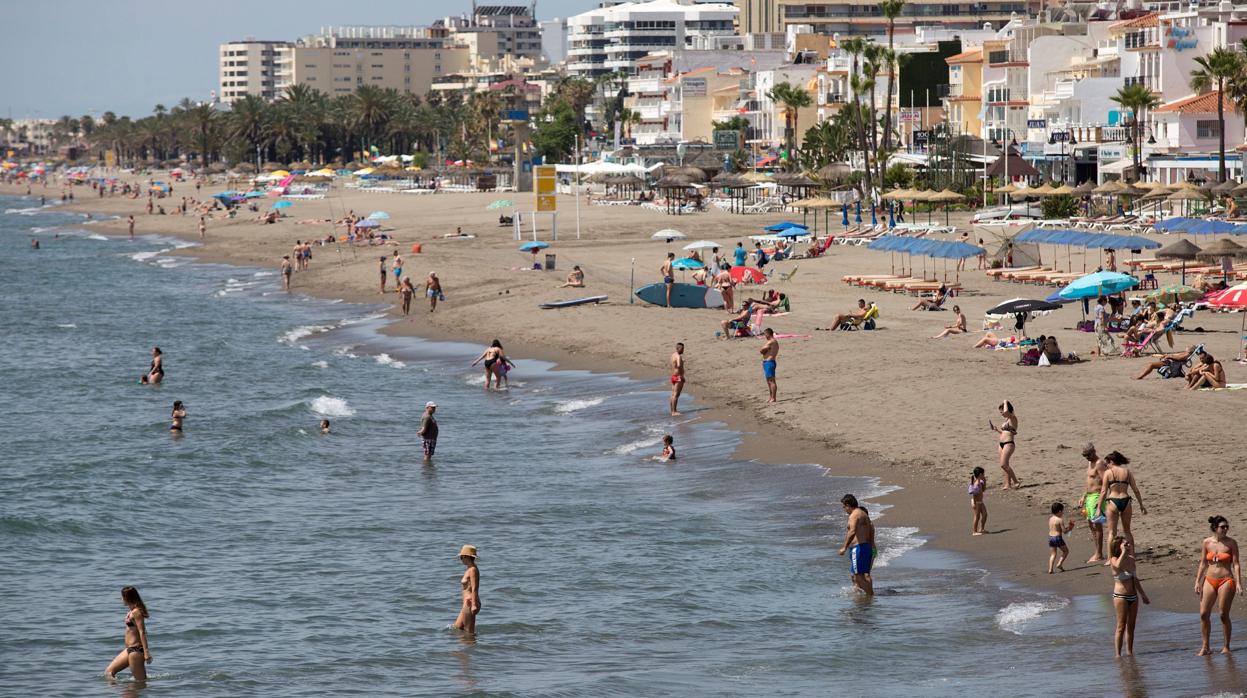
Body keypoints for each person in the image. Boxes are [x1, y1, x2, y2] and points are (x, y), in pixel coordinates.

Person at [1196, 515, 1241, 656]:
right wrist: (1197, 581)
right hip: (1209, 579)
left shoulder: (1231, 543)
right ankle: (1205, 647)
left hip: (1226, 580)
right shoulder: (1207, 542)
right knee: (1203, 614)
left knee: (1223, 614)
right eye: (1223, 527)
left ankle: (1226, 646)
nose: (1226, 529)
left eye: (1227, 526)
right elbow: (1203, 563)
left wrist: (1239, 583)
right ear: (1215, 528)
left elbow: (1236, 564)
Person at [1109, 536, 1149, 657]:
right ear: (1118, 546)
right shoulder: (1114, 559)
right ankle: (1117, 655)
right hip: (1121, 596)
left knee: (1131, 627)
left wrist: (1143, 594)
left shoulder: (1131, 559)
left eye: (1128, 544)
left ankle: (1129, 653)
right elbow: (1118, 566)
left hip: (1133, 596)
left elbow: (1135, 579)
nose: (1128, 545)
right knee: (1121, 626)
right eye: (1125, 544)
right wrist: (1124, 552)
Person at [1097, 450, 1146, 548]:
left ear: (1111, 462)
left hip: (1113, 501)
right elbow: (1136, 490)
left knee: (1111, 533)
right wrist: (1141, 505)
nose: (1106, 466)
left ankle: (1110, 559)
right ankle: (1131, 555)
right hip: (1126, 501)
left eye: (1107, 463)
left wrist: (1098, 508)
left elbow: (1103, 492)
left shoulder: (1108, 473)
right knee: (1127, 531)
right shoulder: (1127, 472)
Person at [105, 586, 152, 681]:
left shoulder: (137, 612)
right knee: (109, 673)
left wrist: (146, 653)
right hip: (128, 650)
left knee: (140, 682)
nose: (121, 599)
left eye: (122, 597)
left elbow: (142, 632)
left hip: (136, 650)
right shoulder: (131, 612)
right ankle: (123, 691)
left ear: (127, 598)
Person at [1077, 443, 1109, 563]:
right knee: (1091, 525)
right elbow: (1089, 481)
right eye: (1085, 456)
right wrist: (1083, 496)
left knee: (1097, 525)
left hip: (1097, 496)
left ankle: (1099, 554)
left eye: (1088, 455)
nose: (1087, 458)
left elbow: (1105, 482)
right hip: (1089, 497)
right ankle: (1096, 552)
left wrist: (1101, 500)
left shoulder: (1099, 463)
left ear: (1094, 451)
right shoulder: (1090, 463)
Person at [838, 494, 875, 596]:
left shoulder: (854, 515)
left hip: (858, 548)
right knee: (857, 575)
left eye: (844, 507)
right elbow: (870, 531)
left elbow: (852, 531)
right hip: (865, 547)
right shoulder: (863, 514)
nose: (844, 510)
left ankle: (870, 597)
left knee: (858, 576)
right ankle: (859, 596)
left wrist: (844, 547)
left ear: (848, 505)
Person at [988, 400, 1021, 489]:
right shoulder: (1006, 420)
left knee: (1003, 464)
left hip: (1009, 443)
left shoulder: (1012, 417)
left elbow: (1007, 412)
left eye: (1001, 411)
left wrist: (1005, 401)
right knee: (1005, 465)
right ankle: (1007, 484)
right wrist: (997, 430)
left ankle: (1016, 481)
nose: (1001, 414)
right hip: (1001, 443)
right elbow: (1004, 432)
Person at [453, 545, 481, 634]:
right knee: (457, 628)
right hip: (466, 603)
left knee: (469, 632)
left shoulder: (473, 570)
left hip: (470, 603)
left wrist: (473, 605)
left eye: (461, 557)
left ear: (467, 557)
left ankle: (470, 647)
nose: (461, 559)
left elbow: (475, 588)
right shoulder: (469, 569)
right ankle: (466, 648)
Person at [1047, 502, 1076, 573]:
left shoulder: (1050, 519)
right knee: (1066, 551)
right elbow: (1065, 531)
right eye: (1062, 511)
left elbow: (1055, 529)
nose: (1063, 513)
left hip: (1050, 537)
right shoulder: (1060, 520)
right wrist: (1070, 527)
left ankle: (1050, 569)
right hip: (1057, 538)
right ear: (1059, 511)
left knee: (1053, 554)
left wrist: (1069, 528)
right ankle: (1059, 564)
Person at [760, 328, 779, 403]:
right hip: (767, 362)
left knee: (771, 381)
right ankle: (771, 397)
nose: (765, 336)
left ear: (768, 334)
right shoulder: (771, 342)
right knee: (769, 381)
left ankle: (773, 398)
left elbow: (761, 350)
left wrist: (764, 350)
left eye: (765, 334)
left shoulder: (772, 342)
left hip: (769, 362)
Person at [968, 466, 988, 536]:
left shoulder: (981, 482)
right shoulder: (976, 484)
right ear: (980, 475)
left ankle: (981, 529)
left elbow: (983, 490)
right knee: (977, 516)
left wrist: (985, 482)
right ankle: (974, 531)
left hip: (980, 502)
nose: (984, 475)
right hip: (976, 502)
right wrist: (975, 504)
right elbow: (974, 495)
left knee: (985, 514)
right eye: (983, 474)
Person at [669, 342, 685, 416]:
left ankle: (672, 410)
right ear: (678, 348)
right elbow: (678, 365)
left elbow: (674, 364)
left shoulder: (673, 355)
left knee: (673, 394)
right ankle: (674, 412)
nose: (683, 350)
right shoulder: (678, 356)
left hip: (673, 376)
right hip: (678, 377)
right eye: (682, 349)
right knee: (676, 395)